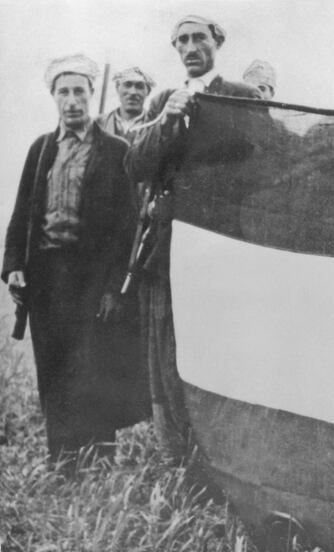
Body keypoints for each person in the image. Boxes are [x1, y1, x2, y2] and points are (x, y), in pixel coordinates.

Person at [125, 15, 260, 461]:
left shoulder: (242, 96)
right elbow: (137, 166)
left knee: (217, 346)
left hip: (220, 245)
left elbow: (267, 160)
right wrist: (167, 120)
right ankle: (177, 453)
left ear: (217, 43)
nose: (190, 46)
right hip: (166, 248)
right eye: (181, 40)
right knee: (167, 348)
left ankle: (223, 452)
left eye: (198, 37)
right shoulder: (163, 99)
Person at [2, 54, 148, 463]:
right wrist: (14, 265)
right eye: (63, 92)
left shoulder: (116, 150)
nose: (72, 101)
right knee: (53, 366)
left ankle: (99, 460)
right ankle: (62, 460)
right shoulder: (41, 149)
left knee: (93, 368)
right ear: (53, 97)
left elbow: (127, 228)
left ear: (90, 96)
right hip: (46, 278)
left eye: (79, 92)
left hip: (91, 280)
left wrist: (112, 289)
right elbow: (22, 214)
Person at [96, 66, 156, 143]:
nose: (133, 92)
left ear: (148, 91)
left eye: (139, 86)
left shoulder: (156, 126)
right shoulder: (98, 124)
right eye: (127, 85)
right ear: (117, 88)